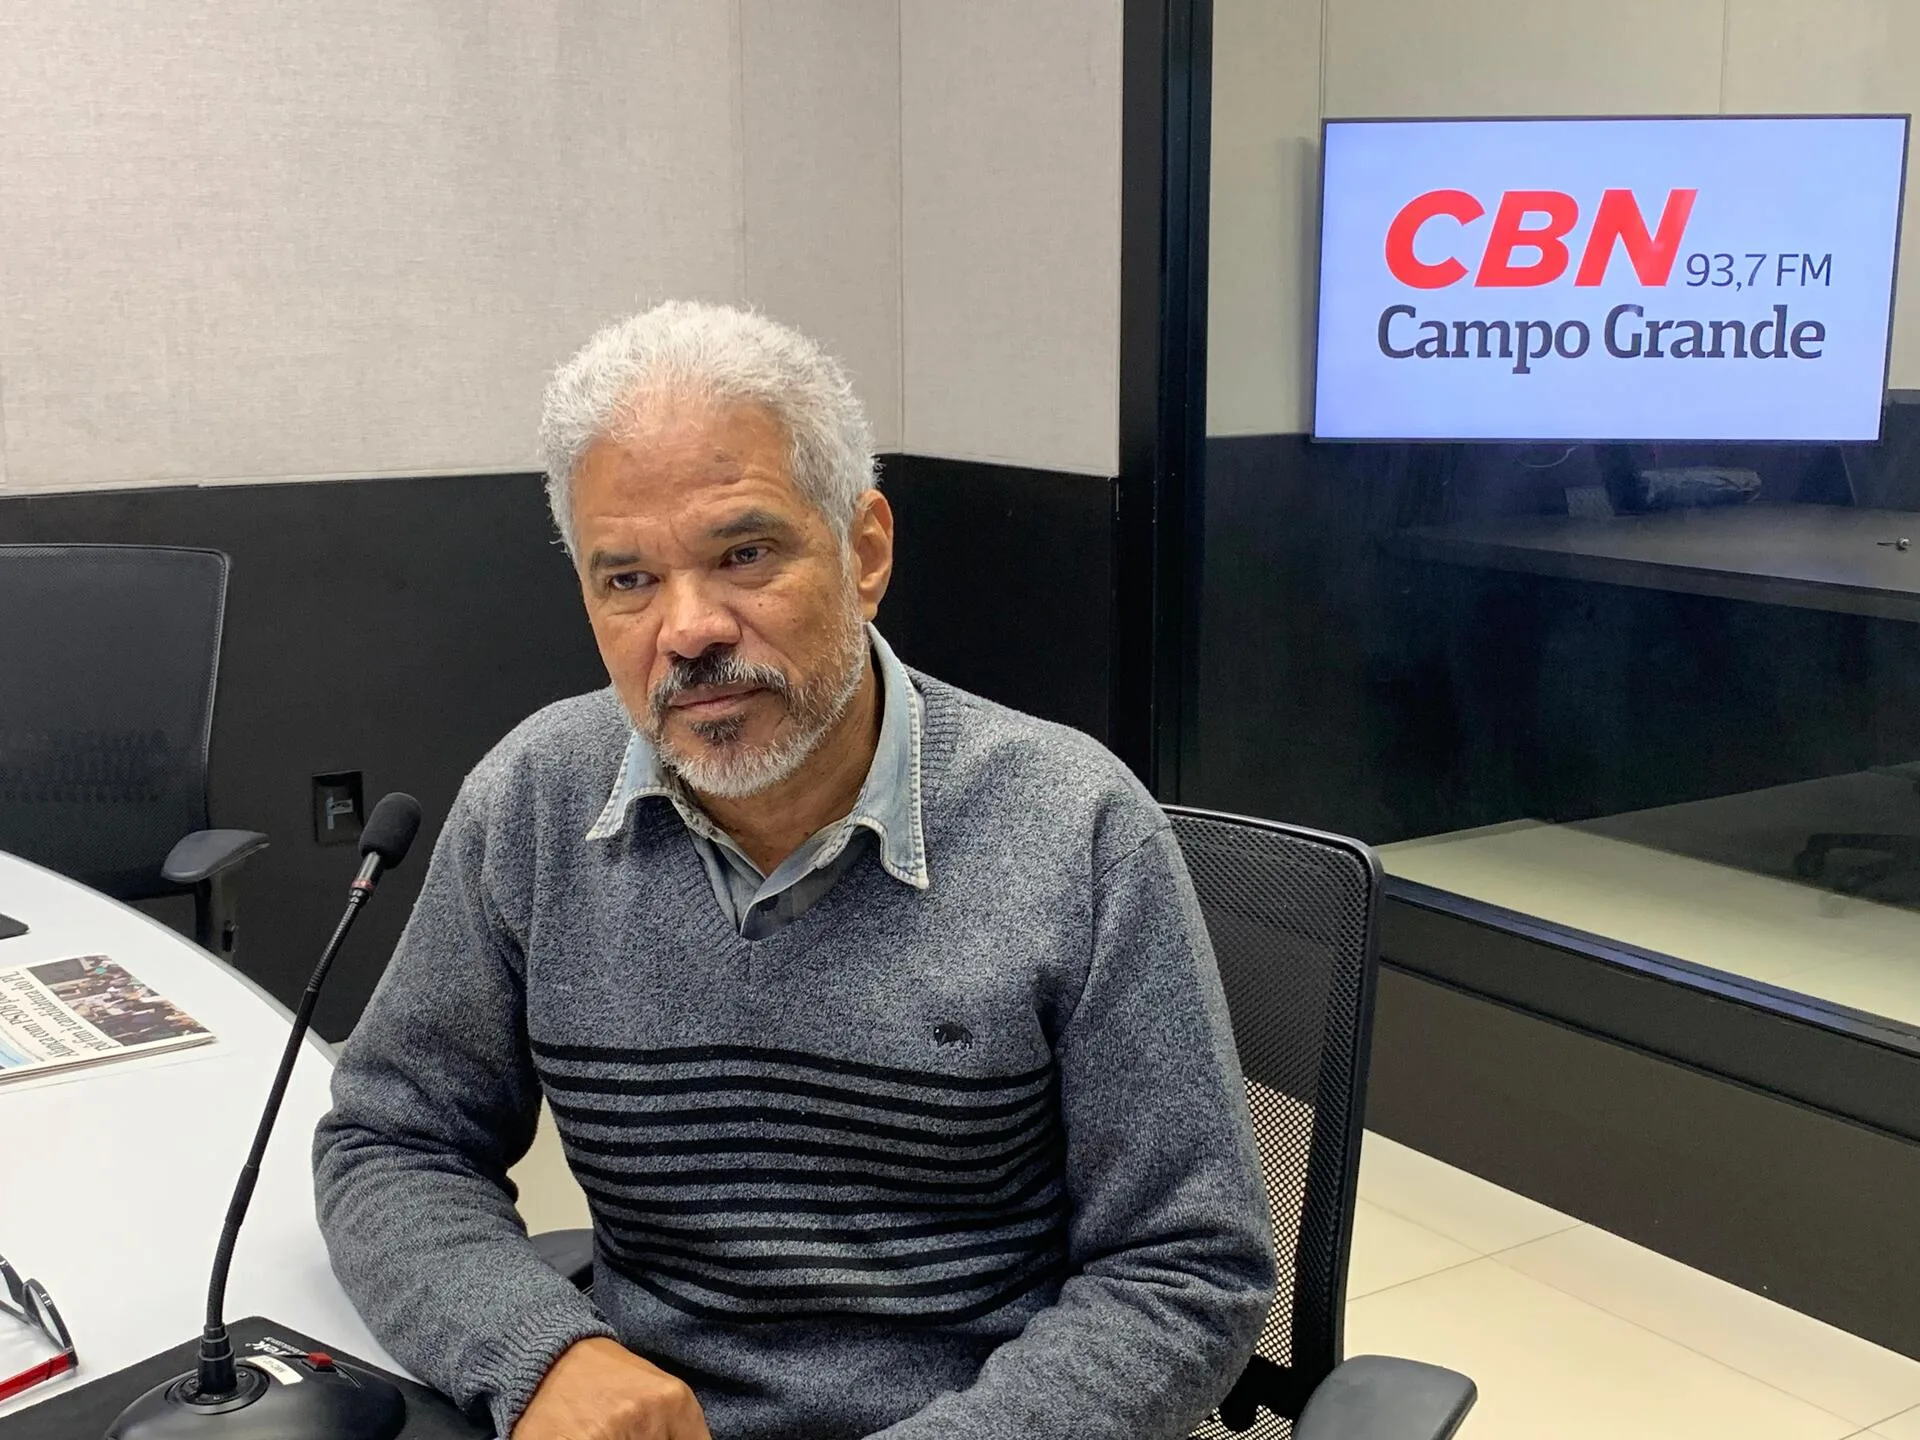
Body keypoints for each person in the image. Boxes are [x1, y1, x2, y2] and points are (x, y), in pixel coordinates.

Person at [313, 301, 1275, 1440]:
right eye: (626, 581)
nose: (688, 628)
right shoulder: (533, 801)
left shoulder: (1076, 828)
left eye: (745, 554)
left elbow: (1185, 1269)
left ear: (864, 550)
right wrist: (542, 1356)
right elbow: (392, 1139)